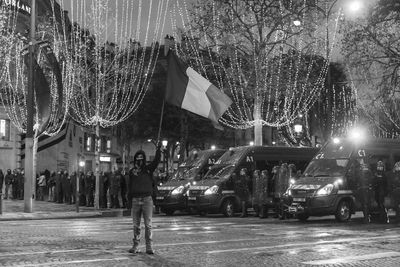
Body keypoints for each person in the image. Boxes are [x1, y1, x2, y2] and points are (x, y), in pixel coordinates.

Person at [128, 143, 161, 254]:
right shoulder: (132, 172)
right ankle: (136, 245)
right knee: (136, 225)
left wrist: (158, 150)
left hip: (147, 199)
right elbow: (130, 187)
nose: (139, 160)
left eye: (141, 158)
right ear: (135, 159)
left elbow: (156, 161)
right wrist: (129, 201)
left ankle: (149, 246)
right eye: (137, 158)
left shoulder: (148, 169)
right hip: (135, 200)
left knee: (148, 225)